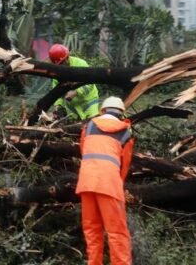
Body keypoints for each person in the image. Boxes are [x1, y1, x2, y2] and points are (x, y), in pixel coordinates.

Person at [76, 96, 134, 265]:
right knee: (117, 232)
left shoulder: (89, 126)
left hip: (86, 182)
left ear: (102, 110)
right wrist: (118, 185)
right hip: (109, 184)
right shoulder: (125, 132)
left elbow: (83, 151)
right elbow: (125, 165)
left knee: (92, 229)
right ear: (122, 114)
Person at [48, 43, 99, 121]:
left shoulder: (80, 64)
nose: (61, 65)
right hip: (73, 106)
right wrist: (58, 106)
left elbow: (90, 84)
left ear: (67, 57)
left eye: (63, 62)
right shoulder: (57, 72)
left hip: (89, 101)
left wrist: (76, 92)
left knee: (93, 123)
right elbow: (57, 92)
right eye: (59, 64)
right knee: (75, 128)